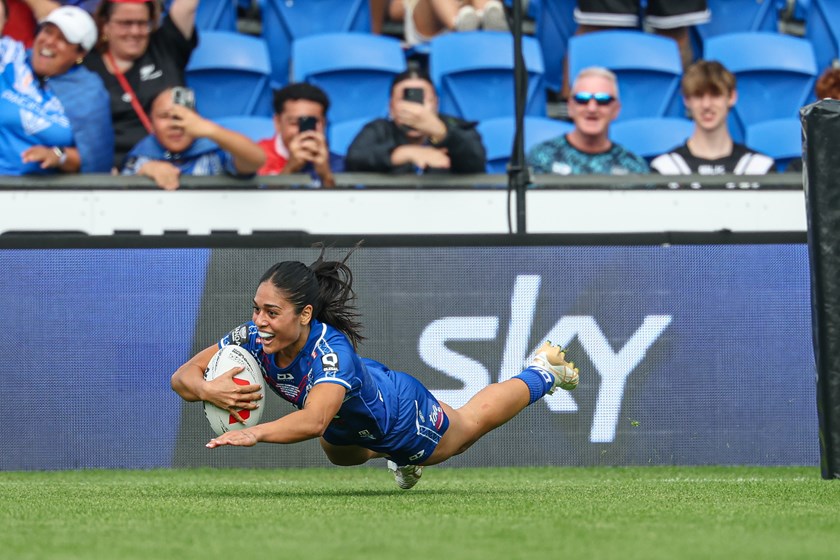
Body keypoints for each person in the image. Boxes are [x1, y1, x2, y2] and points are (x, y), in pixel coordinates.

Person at [170, 246, 579, 490]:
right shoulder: (253, 337)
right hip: (346, 425)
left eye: (272, 312)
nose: (259, 320)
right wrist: (208, 390)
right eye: (256, 309)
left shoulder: (332, 353)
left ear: (305, 314)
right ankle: (392, 456)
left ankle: (544, 370)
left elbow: (313, 420)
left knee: (469, 425)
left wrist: (254, 434)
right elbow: (183, 376)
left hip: (400, 414)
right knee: (339, 453)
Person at [84, 0, 198, 169]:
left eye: (143, 23)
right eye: (125, 23)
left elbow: (187, 5)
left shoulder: (165, 46)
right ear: (105, 25)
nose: (135, 31)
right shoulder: (87, 65)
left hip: (179, 164)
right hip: (119, 172)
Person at [0, 5, 113, 174]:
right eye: (47, 31)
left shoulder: (89, 92)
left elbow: (95, 159)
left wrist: (59, 155)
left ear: (80, 53)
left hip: (46, 192)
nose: (50, 41)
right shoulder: (10, 57)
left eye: (63, 39)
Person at [650, 60, 775, 187]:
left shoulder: (759, 167)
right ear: (686, 100)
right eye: (698, 95)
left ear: (732, 97)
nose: (706, 105)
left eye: (715, 94)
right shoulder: (665, 168)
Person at [345, 68, 486, 174]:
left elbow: (476, 162)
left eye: (421, 98)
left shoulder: (456, 126)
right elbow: (354, 159)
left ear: (436, 103)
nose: (414, 107)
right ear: (391, 107)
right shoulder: (379, 129)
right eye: (405, 99)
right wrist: (403, 153)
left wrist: (442, 134)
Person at [121, 87, 266, 190]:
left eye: (182, 116)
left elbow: (257, 159)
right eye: (164, 116)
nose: (175, 125)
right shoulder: (140, 157)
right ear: (151, 123)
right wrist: (144, 172)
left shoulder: (214, 153)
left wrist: (212, 130)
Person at [527, 66, 649, 176]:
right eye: (582, 99)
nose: (592, 108)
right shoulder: (542, 157)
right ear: (570, 107)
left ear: (616, 110)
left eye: (603, 100)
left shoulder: (634, 168)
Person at [257, 83, 344, 188]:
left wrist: (326, 176)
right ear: (278, 122)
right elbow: (257, 202)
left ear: (324, 123)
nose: (303, 133)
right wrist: (289, 169)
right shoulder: (257, 158)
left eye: (311, 123)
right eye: (294, 123)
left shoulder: (338, 163)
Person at [388, 0, 508, 47]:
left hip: (474, 15)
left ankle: (488, 21)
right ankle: (459, 24)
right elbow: (395, 11)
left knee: (489, 9)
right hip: (430, 28)